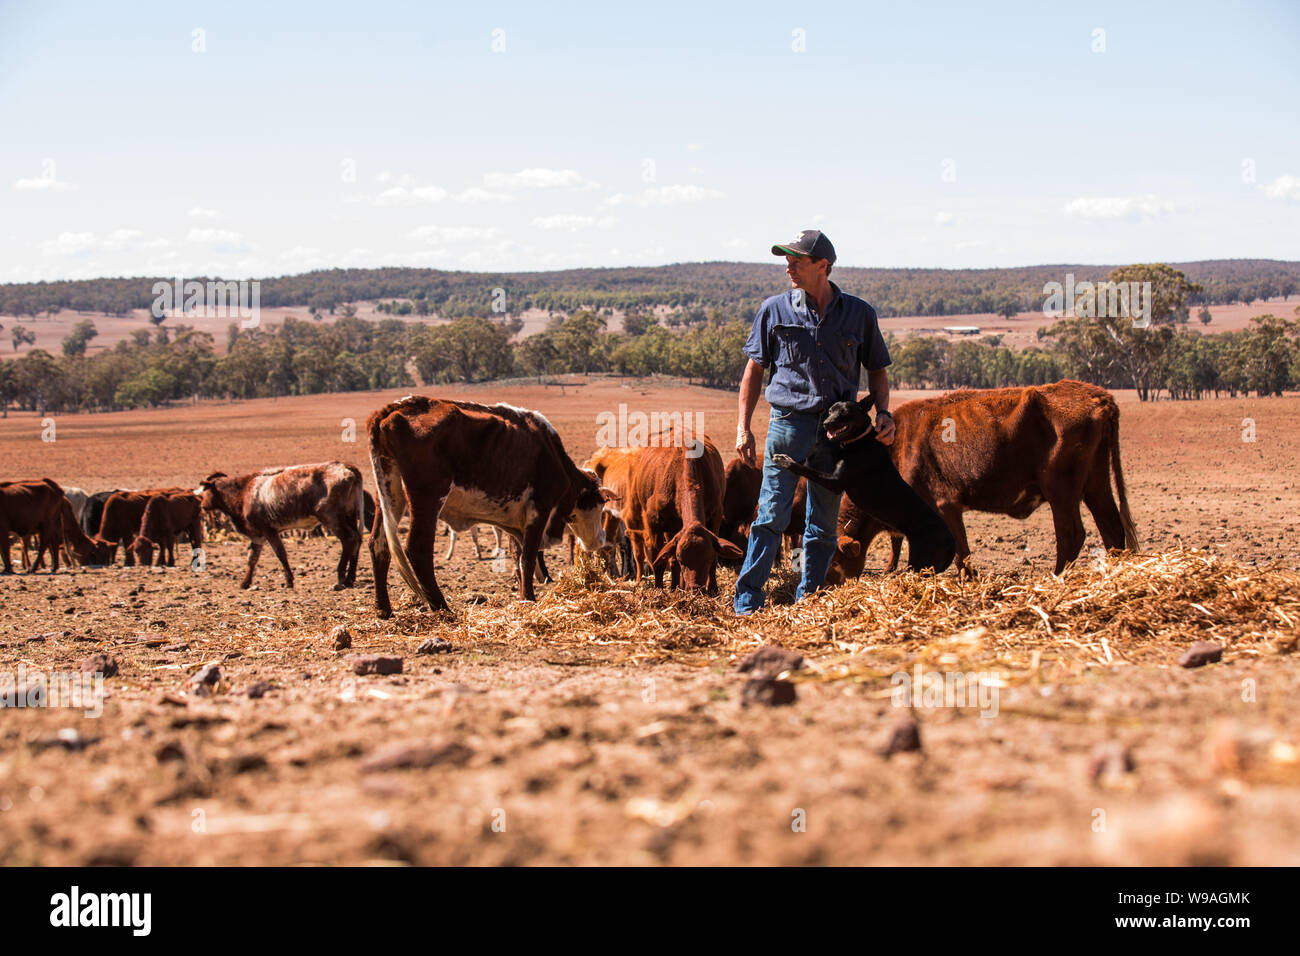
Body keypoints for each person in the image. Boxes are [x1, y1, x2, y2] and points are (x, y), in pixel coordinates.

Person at [733, 229, 895, 615]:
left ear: (823, 266)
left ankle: (810, 599)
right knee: (772, 514)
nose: (789, 267)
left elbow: (877, 371)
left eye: (797, 261)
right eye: (787, 260)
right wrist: (744, 425)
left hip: (836, 433)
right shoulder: (774, 310)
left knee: (822, 521)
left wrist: (883, 413)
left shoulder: (860, 314)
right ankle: (748, 600)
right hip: (787, 425)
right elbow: (753, 372)